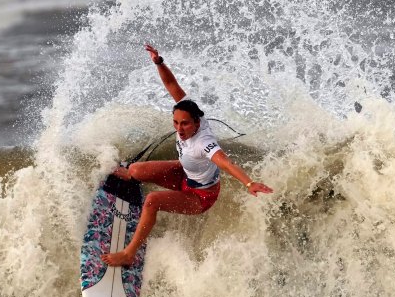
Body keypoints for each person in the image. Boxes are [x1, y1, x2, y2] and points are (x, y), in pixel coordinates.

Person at [101, 44, 274, 266]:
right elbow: (171, 84)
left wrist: (249, 183)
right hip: (185, 172)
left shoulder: (204, 143)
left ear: (197, 122)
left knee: (152, 201)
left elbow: (225, 162)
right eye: (176, 122)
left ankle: (129, 254)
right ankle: (130, 176)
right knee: (135, 170)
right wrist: (159, 62)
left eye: (185, 124)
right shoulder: (189, 109)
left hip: (199, 197)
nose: (179, 129)